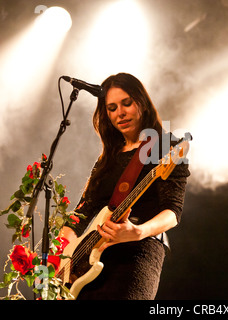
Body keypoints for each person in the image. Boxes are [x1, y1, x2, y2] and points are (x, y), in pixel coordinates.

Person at [60, 72, 190, 300]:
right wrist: (67, 248)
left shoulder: (167, 146)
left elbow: (173, 211)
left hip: (137, 255)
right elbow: (82, 210)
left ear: (142, 102)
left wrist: (138, 232)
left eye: (126, 103)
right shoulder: (106, 159)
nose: (119, 112)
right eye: (111, 108)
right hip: (86, 263)